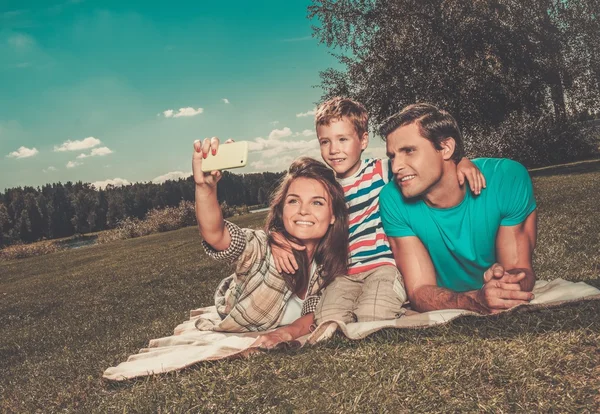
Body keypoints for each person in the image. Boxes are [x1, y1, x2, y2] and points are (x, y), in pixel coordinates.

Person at [272, 97, 486, 324]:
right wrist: (276, 237)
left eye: (342, 139)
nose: (334, 150)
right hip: (344, 273)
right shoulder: (325, 187)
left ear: (363, 140)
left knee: (372, 314)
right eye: (325, 142)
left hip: (384, 267)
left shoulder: (384, 170)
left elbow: (429, 167)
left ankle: (403, 309)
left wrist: (461, 161)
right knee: (328, 318)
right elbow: (295, 217)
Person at [379, 103, 537, 314]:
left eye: (409, 151)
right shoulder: (392, 198)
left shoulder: (506, 179)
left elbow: (520, 268)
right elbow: (419, 291)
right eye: (392, 156)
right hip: (451, 297)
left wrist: (506, 284)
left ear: (446, 148)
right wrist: (474, 300)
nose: (396, 167)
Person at [192, 137, 348, 348]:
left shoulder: (327, 265)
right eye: (293, 200)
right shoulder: (262, 248)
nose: (303, 210)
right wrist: (204, 188)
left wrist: (285, 334)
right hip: (236, 309)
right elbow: (216, 236)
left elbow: (315, 313)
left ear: (332, 216)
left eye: (317, 202)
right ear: (282, 209)